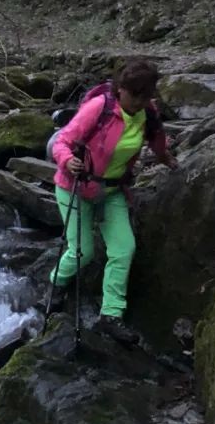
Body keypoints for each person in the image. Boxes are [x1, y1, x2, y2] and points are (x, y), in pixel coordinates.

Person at [49, 58, 178, 330]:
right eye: (135, 96)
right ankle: (56, 283)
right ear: (121, 89)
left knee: (123, 249)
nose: (139, 103)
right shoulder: (100, 108)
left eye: (145, 97)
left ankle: (111, 314)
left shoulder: (148, 114)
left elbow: (157, 142)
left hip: (112, 190)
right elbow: (63, 140)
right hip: (75, 186)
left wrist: (167, 159)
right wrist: (67, 160)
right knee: (82, 252)